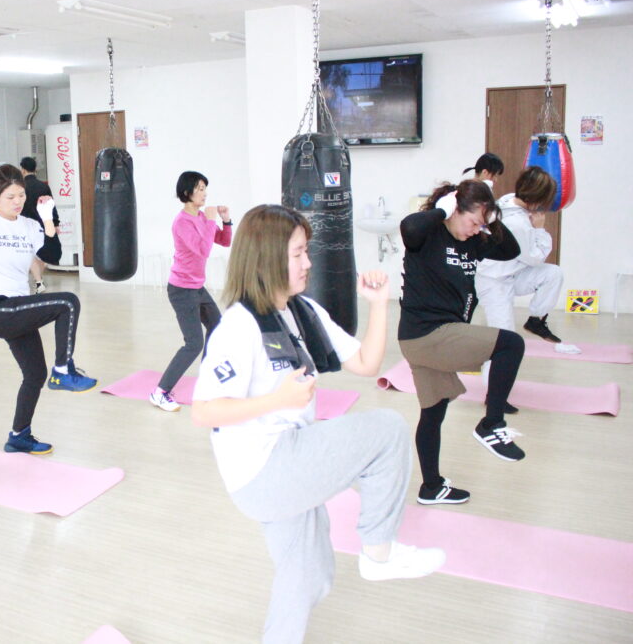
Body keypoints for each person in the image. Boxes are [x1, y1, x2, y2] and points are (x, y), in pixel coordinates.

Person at [192, 204, 445, 643]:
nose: (308, 262)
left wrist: (378, 306)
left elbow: (366, 363)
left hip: (287, 464)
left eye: (306, 251)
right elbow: (203, 410)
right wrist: (277, 400)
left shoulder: (302, 311)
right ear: (268, 258)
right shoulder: (239, 326)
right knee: (387, 430)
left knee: (311, 577)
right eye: (298, 254)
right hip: (264, 468)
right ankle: (379, 553)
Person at [0, 164, 97, 454]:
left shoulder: (28, 225)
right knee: (67, 302)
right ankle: (63, 370)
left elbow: (53, 254)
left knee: (35, 374)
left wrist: (47, 220)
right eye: (10, 197)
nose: (18, 202)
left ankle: (18, 436)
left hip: (18, 306)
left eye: (21, 196)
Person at [399, 179, 524, 507]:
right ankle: (491, 424)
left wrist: (490, 218)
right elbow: (409, 227)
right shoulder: (427, 235)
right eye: (473, 221)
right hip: (429, 334)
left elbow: (511, 250)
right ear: (455, 210)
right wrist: (443, 209)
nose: (475, 229)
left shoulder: (473, 243)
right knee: (511, 345)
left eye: (481, 225)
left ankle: (431, 487)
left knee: (433, 413)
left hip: (427, 340)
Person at [149, 171, 232, 412]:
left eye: (205, 189)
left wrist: (225, 221)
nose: (205, 194)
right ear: (187, 192)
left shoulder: (201, 217)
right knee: (194, 343)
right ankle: (159, 392)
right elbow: (202, 250)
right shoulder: (182, 223)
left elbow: (224, 241)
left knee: (217, 328)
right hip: (182, 289)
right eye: (200, 189)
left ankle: (210, 379)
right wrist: (211, 220)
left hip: (197, 287)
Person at [475, 166, 567, 345]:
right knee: (506, 340)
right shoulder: (517, 223)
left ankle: (535, 320)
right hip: (493, 281)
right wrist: (539, 229)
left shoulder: (508, 199)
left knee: (553, 274)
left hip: (511, 273)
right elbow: (534, 258)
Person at [19, 156, 59, 294]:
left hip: (24, 225)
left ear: (23, 170)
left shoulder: (20, 188)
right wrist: (55, 223)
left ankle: (38, 281)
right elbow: (51, 205)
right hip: (43, 225)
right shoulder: (43, 186)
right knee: (42, 254)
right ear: (35, 169)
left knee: (30, 254)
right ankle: (38, 280)